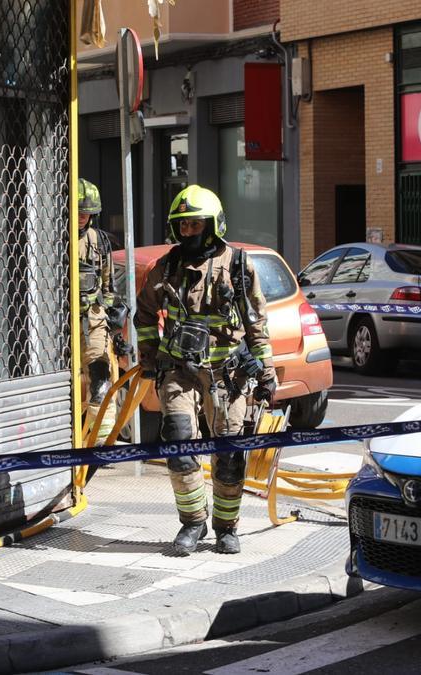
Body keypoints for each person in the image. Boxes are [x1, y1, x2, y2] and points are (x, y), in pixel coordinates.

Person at [134, 185, 276, 556]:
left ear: (214, 226)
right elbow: (145, 314)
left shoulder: (238, 266)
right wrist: (150, 358)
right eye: (182, 227)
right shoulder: (165, 267)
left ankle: (226, 528)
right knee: (180, 444)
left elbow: (257, 323)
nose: (188, 233)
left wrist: (267, 373)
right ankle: (192, 522)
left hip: (227, 375)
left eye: (195, 225)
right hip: (179, 371)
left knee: (229, 455)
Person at [77, 178, 129, 446]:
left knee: (100, 376)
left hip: (94, 321)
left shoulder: (99, 242)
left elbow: (107, 285)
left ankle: (99, 439)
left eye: (87, 214)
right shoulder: (50, 240)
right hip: (59, 326)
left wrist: (112, 319)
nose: (82, 218)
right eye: (78, 212)